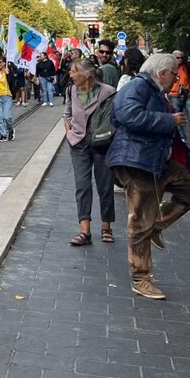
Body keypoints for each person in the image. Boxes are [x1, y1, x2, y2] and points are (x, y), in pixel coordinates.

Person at [106, 52, 190, 300]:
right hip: (138, 162)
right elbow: (126, 115)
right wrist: (167, 119)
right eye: (173, 75)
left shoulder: (150, 88)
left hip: (155, 159)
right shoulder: (138, 86)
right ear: (162, 74)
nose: (175, 79)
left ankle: (155, 226)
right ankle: (141, 278)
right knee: (140, 221)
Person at [63, 56, 117, 246]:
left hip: (102, 144)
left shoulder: (108, 92)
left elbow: (115, 117)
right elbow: (67, 114)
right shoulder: (71, 90)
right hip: (78, 144)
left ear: (86, 74)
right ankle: (84, 231)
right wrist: (69, 133)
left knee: (105, 185)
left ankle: (106, 226)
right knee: (82, 185)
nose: (70, 74)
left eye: (73, 71)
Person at [169, 50, 190, 146]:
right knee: (178, 116)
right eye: (177, 58)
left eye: (181, 57)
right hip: (174, 94)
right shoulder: (169, 68)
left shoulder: (187, 68)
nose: (180, 59)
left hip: (187, 94)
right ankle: (182, 137)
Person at [0, 50, 16, 142]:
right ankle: (3, 134)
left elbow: (12, 82)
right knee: (0, 117)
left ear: (4, 63)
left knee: (7, 116)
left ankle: (10, 129)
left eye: (0, 62)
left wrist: (8, 73)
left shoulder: (8, 72)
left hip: (7, 96)